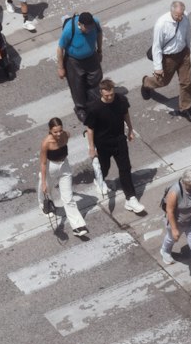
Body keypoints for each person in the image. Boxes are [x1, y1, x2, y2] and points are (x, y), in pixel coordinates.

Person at [84, 80, 146, 214]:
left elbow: (125, 114)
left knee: (125, 168)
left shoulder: (121, 100)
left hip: (119, 139)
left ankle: (131, 198)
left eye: (111, 94)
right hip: (103, 143)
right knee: (104, 167)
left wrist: (130, 129)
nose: (110, 97)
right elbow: (90, 129)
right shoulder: (95, 108)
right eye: (107, 95)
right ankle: (99, 179)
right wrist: (91, 148)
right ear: (101, 93)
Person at [142, 0, 191, 123]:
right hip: (168, 57)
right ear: (172, 11)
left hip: (183, 54)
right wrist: (158, 67)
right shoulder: (162, 24)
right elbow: (156, 46)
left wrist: (188, 48)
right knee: (162, 82)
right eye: (178, 15)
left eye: (182, 14)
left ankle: (185, 108)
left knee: (186, 82)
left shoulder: (185, 17)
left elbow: (188, 32)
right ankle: (146, 83)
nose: (180, 17)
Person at [39, 118, 88, 239]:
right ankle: (43, 205)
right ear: (50, 131)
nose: (59, 134)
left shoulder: (66, 135)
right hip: (51, 166)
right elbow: (43, 163)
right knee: (45, 189)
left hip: (64, 166)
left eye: (60, 131)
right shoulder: (46, 143)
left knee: (68, 198)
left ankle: (78, 226)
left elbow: (66, 137)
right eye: (55, 132)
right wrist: (44, 182)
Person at [57, 12, 103, 124]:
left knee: (95, 78)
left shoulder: (95, 23)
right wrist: (61, 67)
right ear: (79, 24)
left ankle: (93, 102)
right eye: (86, 27)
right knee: (77, 85)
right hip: (74, 61)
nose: (89, 29)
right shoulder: (69, 30)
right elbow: (60, 48)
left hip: (91, 56)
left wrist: (99, 50)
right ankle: (80, 108)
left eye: (90, 26)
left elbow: (99, 34)